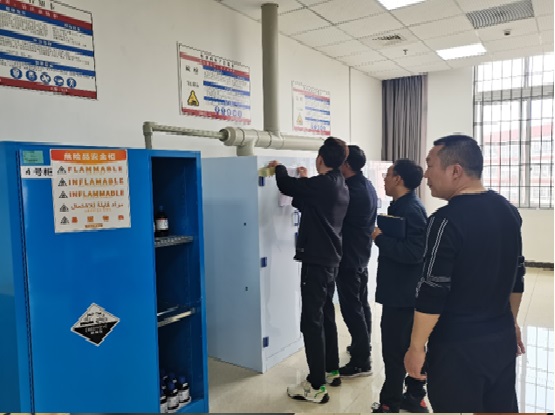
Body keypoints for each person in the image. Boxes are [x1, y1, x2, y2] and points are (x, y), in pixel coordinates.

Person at [404, 134, 526, 413]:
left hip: (458, 346)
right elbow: (517, 275)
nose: (426, 174)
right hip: (501, 339)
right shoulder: (508, 211)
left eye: (430, 165)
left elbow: (432, 290)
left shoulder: (444, 221)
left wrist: (416, 347)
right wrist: (512, 322)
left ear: (455, 171)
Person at [267, 137, 349, 404]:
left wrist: (279, 168)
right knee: (326, 315)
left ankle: (316, 386)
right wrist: (305, 180)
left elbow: (286, 185)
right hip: (330, 260)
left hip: (317, 262)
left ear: (320, 159)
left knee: (311, 322)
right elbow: (306, 202)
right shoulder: (338, 183)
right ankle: (331, 371)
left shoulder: (323, 184)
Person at [371, 159, 429, 413]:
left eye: (388, 174)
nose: (384, 179)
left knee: (395, 351)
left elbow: (415, 252)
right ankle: (415, 397)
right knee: (408, 346)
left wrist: (380, 238)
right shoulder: (402, 205)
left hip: (402, 294)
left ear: (398, 179)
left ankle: (389, 403)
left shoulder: (411, 209)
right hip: (400, 290)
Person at [336, 145, 378, 377]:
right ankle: (362, 346)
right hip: (360, 254)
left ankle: (362, 361)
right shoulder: (366, 184)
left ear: (346, 164)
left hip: (349, 257)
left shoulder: (350, 190)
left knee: (352, 309)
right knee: (361, 304)